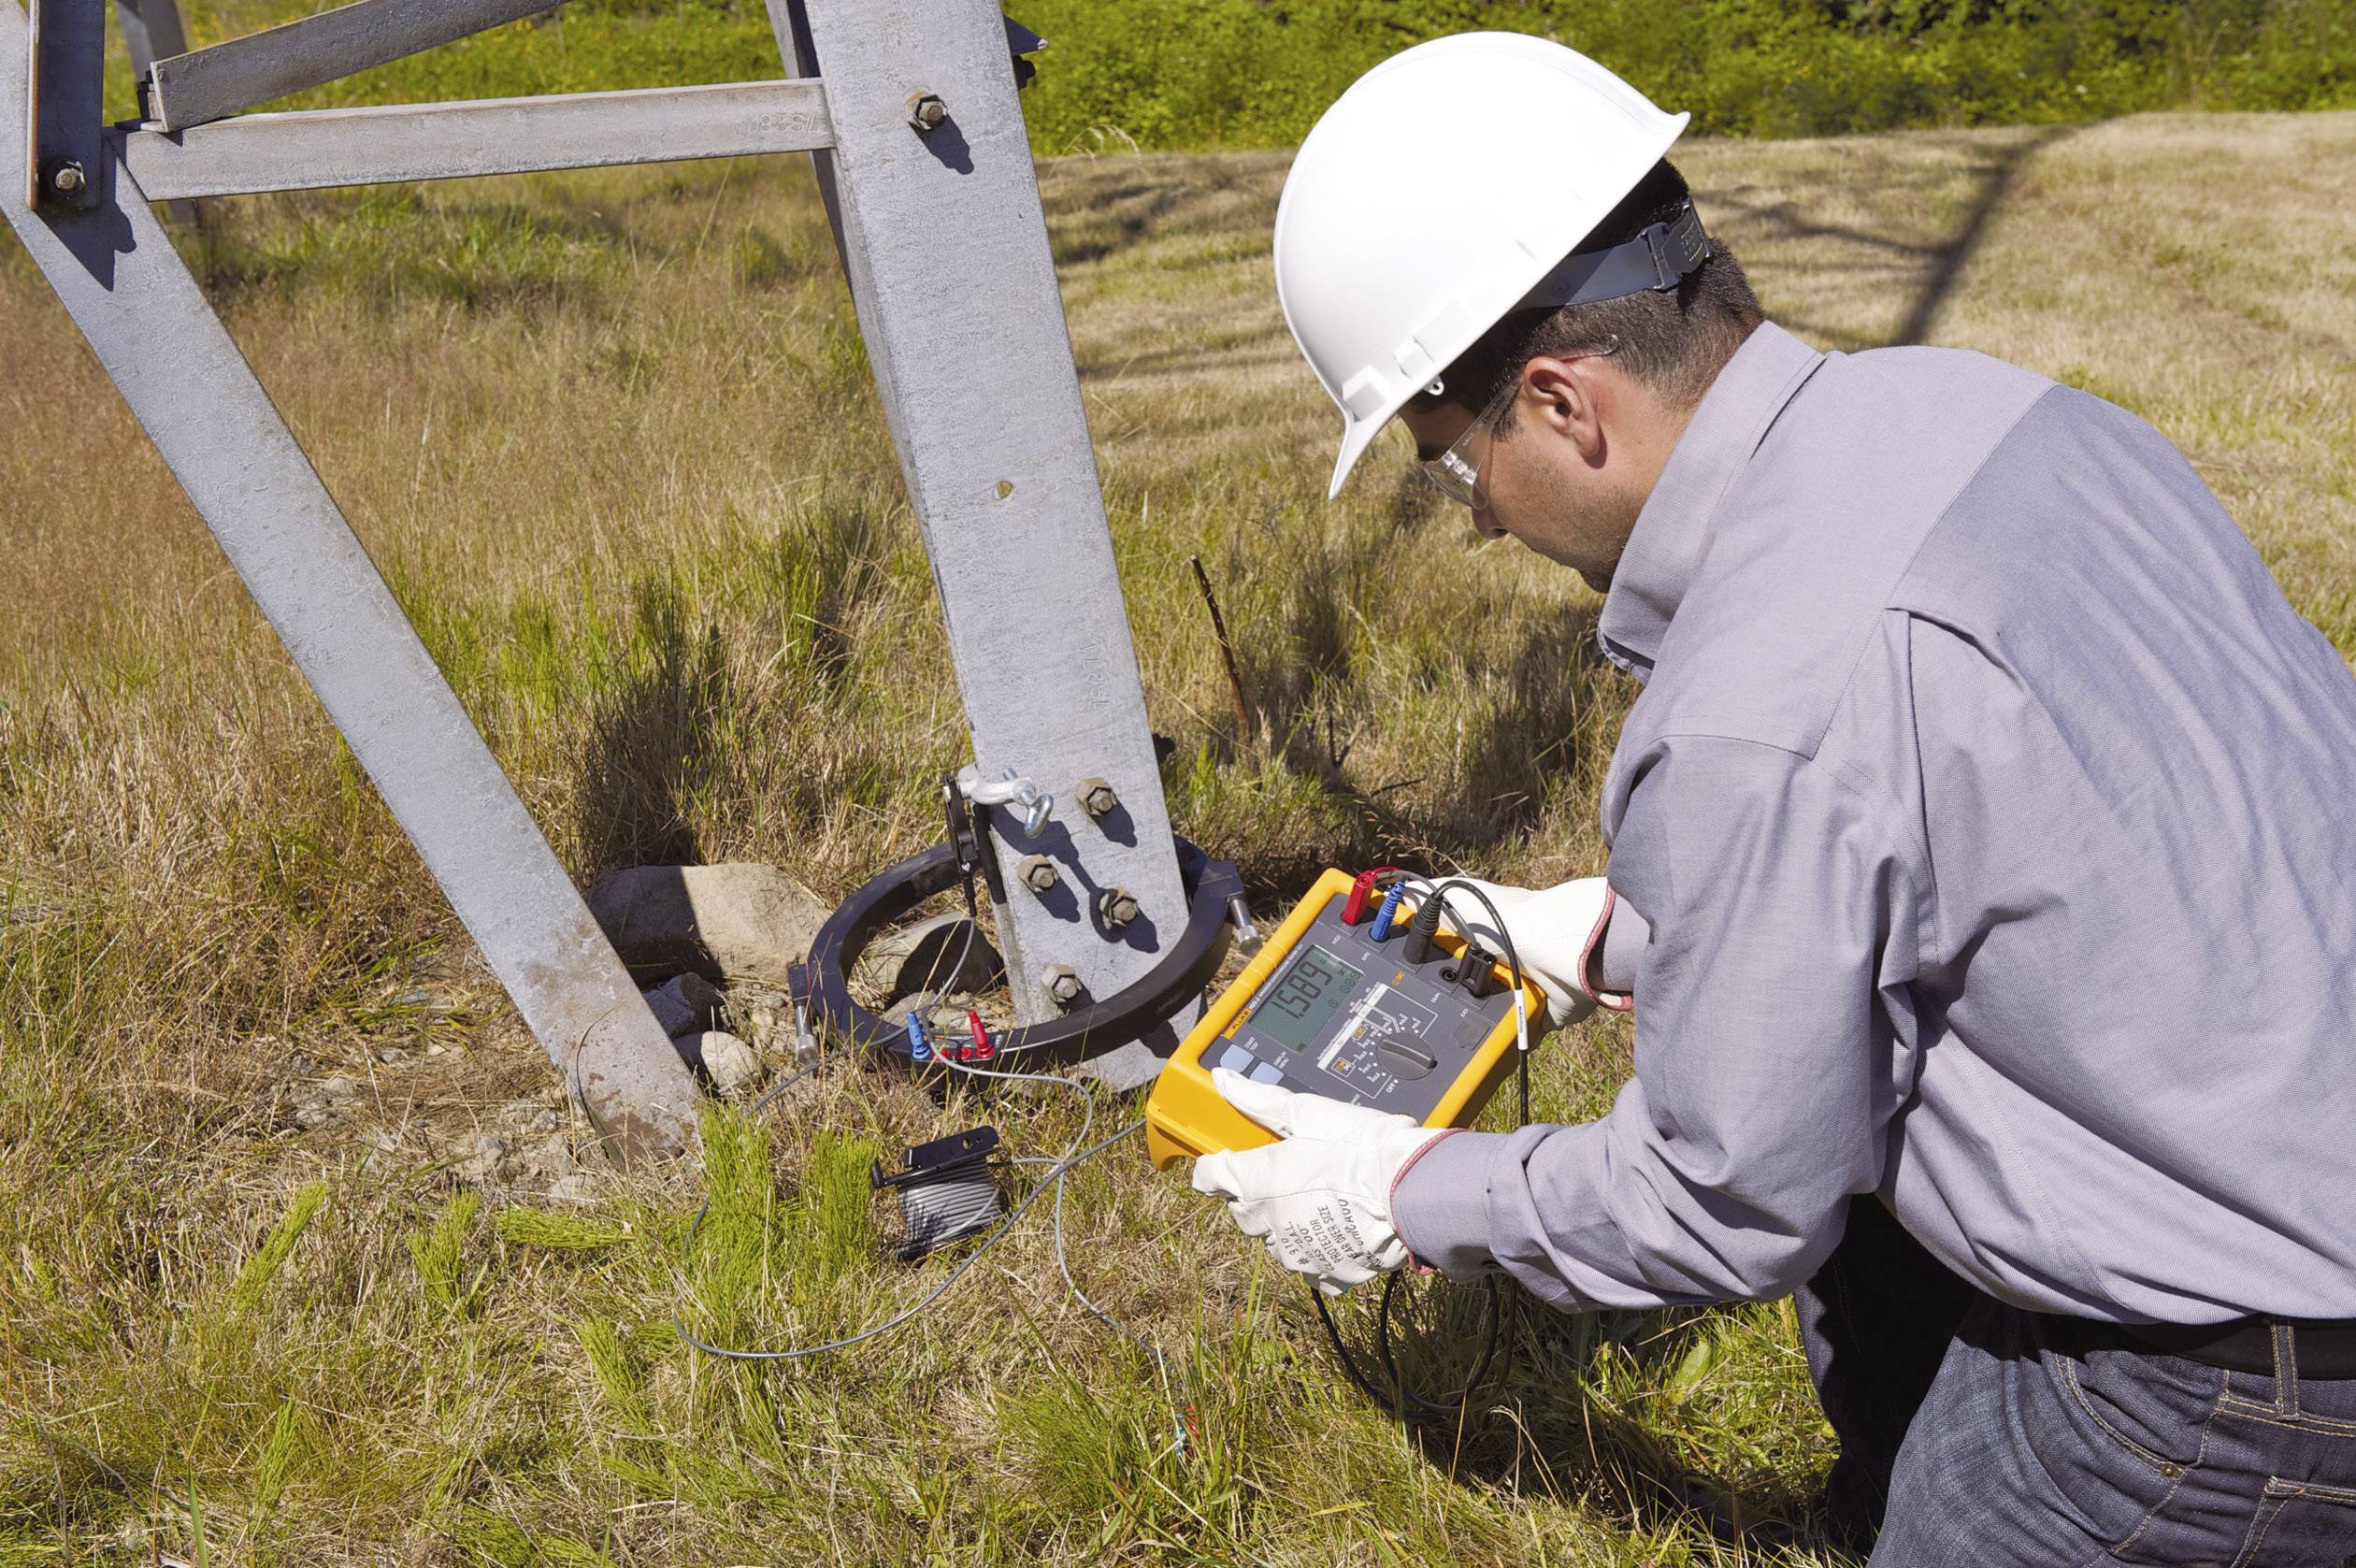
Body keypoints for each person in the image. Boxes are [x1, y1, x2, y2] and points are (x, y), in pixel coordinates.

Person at [1188, 31, 2356, 1566]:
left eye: (1449, 468)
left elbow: (1717, 1201)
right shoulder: (1997, 413)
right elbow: (2008, 828)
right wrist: (1612, 934)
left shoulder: (1754, 707)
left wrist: (1409, 1192)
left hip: (2244, 1381)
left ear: (1558, 401)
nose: (1473, 526)